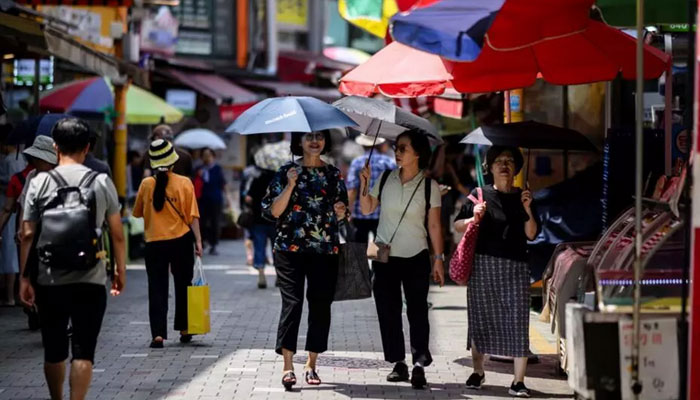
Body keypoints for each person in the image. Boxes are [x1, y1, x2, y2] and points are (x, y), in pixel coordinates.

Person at [18, 118, 126, 400]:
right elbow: (117, 234)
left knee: (53, 348)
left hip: (48, 277)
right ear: (87, 147)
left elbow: (27, 234)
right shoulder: (101, 180)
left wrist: (24, 278)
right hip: (90, 276)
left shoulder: (38, 181)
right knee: (83, 349)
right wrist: (119, 271)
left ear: (55, 147)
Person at [261, 130, 348, 391]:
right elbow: (273, 211)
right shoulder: (286, 171)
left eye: (319, 136)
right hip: (289, 248)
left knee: (320, 305)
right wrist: (290, 185)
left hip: (324, 249)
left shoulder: (333, 174)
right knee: (293, 302)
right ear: (299, 141)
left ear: (325, 141)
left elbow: (342, 214)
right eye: (308, 136)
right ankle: (288, 366)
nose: (314, 141)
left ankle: (311, 364)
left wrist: (341, 212)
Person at [359, 128, 445, 389]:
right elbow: (367, 208)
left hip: (416, 255)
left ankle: (419, 363)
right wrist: (365, 181)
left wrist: (438, 259)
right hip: (385, 257)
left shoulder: (430, 187)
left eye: (403, 148)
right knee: (388, 311)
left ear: (417, 154)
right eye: (397, 148)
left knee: (417, 311)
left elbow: (434, 226)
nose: (397, 152)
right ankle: (398, 363)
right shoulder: (385, 178)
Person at [453, 146, 539, 398]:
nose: (504, 165)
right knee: (480, 319)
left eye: (510, 161)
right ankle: (478, 371)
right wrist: (472, 219)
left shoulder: (524, 196)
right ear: (489, 168)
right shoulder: (479, 195)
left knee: (518, 322)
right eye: (499, 161)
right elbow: (458, 225)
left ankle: (518, 381)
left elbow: (531, 234)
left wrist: (528, 208)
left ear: (516, 169)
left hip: (515, 267)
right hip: (483, 265)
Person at [133, 139, 203, 348]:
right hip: (181, 241)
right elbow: (192, 216)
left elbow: (138, 213)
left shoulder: (147, 184)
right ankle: (184, 328)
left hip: (154, 242)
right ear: (173, 161)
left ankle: (158, 335)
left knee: (157, 287)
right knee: (183, 285)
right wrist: (198, 240)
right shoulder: (184, 182)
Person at [0, 136, 57, 307]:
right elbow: (25, 205)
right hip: (35, 234)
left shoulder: (59, 177)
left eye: (40, 159)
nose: (36, 162)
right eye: (35, 158)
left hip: (55, 235)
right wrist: (21, 229)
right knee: (33, 273)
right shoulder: (32, 176)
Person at [346, 134, 396, 243]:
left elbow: (352, 190)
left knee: (359, 250)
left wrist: (348, 212)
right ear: (379, 144)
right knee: (381, 251)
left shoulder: (357, 163)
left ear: (363, 145)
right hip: (382, 215)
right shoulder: (389, 162)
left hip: (360, 215)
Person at [0, 142, 27, 306]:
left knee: (9, 250)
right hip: (18, 211)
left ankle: (10, 295)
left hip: (10, 207)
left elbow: (8, 205)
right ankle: (12, 295)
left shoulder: (10, 161)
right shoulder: (22, 161)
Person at [244, 165, 277, 288]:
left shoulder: (257, 180)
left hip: (259, 220)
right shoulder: (279, 181)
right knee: (277, 249)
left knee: (259, 247)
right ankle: (278, 276)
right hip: (275, 221)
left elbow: (248, 198)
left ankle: (261, 275)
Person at [196, 148, 226, 255]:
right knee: (202, 222)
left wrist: (228, 200)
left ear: (213, 156)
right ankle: (202, 242)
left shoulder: (217, 168)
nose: (207, 157)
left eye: (209, 155)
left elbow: (223, 184)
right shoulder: (198, 169)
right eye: (204, 155)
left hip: (215, 199)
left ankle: (214, 245)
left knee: (215, 222)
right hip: (202, 199)